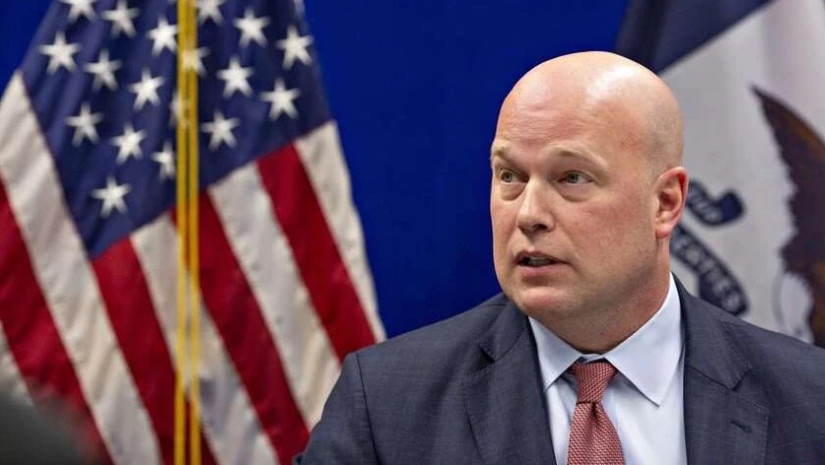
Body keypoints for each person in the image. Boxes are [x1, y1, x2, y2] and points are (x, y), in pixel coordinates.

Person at [297, 51, 825, 464]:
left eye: (571, 177)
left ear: (665, 203)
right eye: (509, 176)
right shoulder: (386, 403)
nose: (528, 214)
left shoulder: (810, 400)